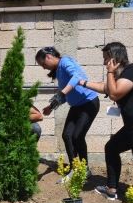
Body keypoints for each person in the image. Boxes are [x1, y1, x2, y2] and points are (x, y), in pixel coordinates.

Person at [78, 42, 133, 200]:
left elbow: (115, 93)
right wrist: (83, 83)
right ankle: (111, 189)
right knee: (111, 148)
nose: (104, 63)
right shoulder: (122, 76)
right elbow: (107, 88)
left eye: (106, 59)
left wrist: (110, 73)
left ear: (115, 58)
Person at [35, 46, 99, 182]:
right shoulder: (58, 71)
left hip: (88, 102)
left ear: (48, 57)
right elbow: (64, 95)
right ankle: (75, 168)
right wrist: (51, 107)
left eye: (43, 64)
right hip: (76, 106)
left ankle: (84, 169)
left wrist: (62, 92)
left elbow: (77, 76)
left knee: (77, 136)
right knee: (67, 135)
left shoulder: (65, 62)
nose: (44, 68)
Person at [0, 87, 44, 173]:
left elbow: (39, 116)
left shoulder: (18, 103)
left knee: (35, 128)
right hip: (2, 141)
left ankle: (26, 156)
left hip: (18, 136)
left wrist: (17, 117)